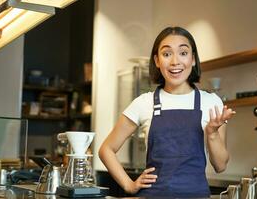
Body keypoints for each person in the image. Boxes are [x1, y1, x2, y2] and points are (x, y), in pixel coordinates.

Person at [99, 26, 236, 198]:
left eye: (183, 53)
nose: (175, 62)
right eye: (166, 54)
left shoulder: (211, 102)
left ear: (193, 59)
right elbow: (106, 149)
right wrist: (129, 185)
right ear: (157, 60)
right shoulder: (144, 102)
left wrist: (212, 133)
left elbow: (220, 165)